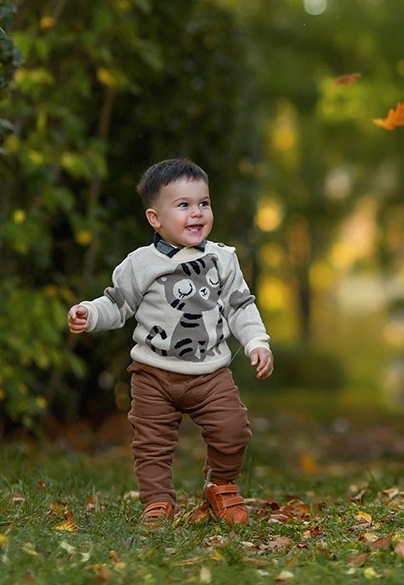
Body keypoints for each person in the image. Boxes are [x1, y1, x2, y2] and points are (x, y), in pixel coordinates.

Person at [67, 158, 274, 526]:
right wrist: (90, 313)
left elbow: (241, 305)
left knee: (233, 430)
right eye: (183, 205)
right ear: (155, 219)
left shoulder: (222, 260)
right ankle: (158, 501)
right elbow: (117, 303)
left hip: (210, 374)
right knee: (152, 444)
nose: (197, 213)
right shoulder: (140, 264)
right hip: (153, 373)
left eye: (203, 203)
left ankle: (221, 487)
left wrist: (257, 340)